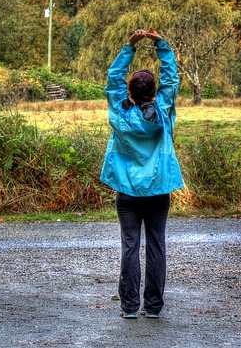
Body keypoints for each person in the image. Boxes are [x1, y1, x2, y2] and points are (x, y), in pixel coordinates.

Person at [100, 27, 184, 319]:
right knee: (157, 246)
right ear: (154, 92)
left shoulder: (121, 113)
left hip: (127, 192)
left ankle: (129, 307)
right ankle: (153, 306)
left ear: (130, 92)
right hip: (159, 190)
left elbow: (112, 80)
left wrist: (130, 46)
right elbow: (171, 78)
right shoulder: (162, 110)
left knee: (130, 246)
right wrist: (160, 43)